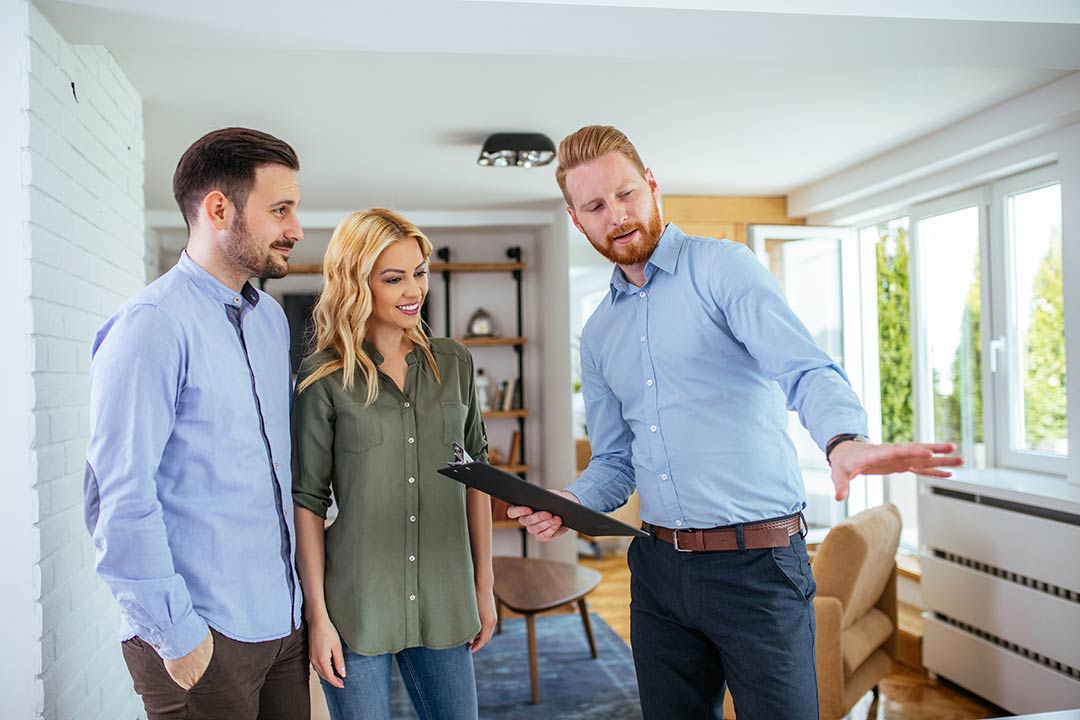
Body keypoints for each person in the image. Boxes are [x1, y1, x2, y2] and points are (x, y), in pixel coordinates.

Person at [508, 125, 963, 720]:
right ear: (576, 219)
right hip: (657, 571)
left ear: (651, 185)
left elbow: (805, 369)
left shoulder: (723, 269)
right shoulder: (597, 334)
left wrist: (844, 439)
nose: (616, 216)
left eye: (625, 195)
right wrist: (568, 500)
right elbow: (616, 462)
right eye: (595, 206)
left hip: (758, 569)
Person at [84, 127, 308, 720]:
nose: (296, 229)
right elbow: (117, 497)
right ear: (218, 209)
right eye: (280, 210)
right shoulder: (151, 326)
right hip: (202, 636)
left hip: (282, 624)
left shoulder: (270, 324)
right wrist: (179, 636)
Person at [291, 208, 496, 720]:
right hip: (356, 607)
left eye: (420, 272)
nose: (414, 289)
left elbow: (477, 477)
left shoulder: (454, 363)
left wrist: (483, 588)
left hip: (445, 599)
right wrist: (317, 616)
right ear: (357, 284)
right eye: (394, 277)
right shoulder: (323, 378)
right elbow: (308, 501)